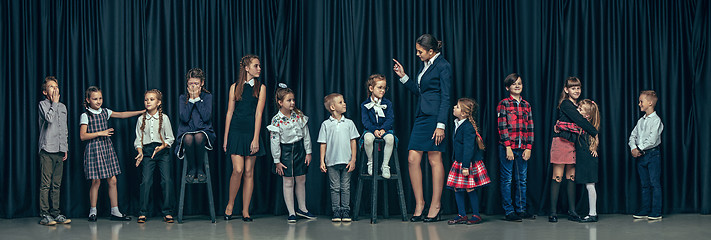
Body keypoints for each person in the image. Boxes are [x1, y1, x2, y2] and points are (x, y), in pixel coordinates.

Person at [392, 33, 452, 222]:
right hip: (421, 116)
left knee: (434, 159)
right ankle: (420, 203)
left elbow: (446, 97)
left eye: (420, 52)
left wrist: (441, 125)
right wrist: (404, 77)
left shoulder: (443, 66)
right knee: (412, 159)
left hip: (435, 118)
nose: (417, 54)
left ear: (431, 51)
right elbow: (421, 92)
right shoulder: (425, 66)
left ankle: (436, 205)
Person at [80, 86, 144, 222]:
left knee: (113, 180)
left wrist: (141, 112)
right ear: (88, 100)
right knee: (96, 181)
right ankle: (93, 211)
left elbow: (121, 114)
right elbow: (82, 136)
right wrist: (100, 133)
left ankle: (115, 211)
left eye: (100, 98)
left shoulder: (105, 112)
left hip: (106, 148)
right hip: (94, 149)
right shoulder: (85, 115)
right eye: (95, 99)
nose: (98, 101)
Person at [223, 55, 267, 222]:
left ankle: (245, 210)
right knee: (238, 170)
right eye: (256, 66)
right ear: (247, 68)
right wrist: (226, 138)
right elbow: (229, 112)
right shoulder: (234, 87)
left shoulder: (260, 87)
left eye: (259, 66)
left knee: (249, 172)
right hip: (235, 131)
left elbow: (259, 113)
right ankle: (230, 205)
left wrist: (256, 138)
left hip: (251, 132)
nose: (259, 68)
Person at [548, 77, 598, 223]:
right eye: (573, 88)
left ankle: (572, 211)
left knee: (571, 177)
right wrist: (595, 132)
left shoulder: (579, 106)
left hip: (572, 144)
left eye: (578, 88)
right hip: (561, 143)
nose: (576, 90)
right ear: (566, 90)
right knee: (557, 176)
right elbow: (580, 122)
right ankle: (552, 212)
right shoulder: (566, 104)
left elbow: (579, 126)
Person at [266, 84, 316, 223]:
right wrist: (277, 160)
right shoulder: (276, 120)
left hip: (299, 150)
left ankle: (302, 209)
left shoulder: (298, 115)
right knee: (288, 182)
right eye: (289, 100)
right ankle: (291, 212)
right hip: (286, 153)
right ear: (280, 102)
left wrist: (308, 152)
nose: (292, 103)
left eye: (293, 100)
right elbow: (274, 141)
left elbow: (306, 135)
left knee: (301, 179)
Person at [496, 73, 534, 221]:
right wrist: (507, 147)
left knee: (522, 179)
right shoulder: (504, 104)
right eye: (514, 84)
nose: (517, 86)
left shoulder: (527, 105)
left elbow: (530, 127)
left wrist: (529, 147)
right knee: (507, 179)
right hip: (508, 147)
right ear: (508, 87)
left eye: (519, 83)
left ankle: (521, 209)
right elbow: (502, 126)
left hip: (523, 147)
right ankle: (509, 211)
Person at [134, 89, 175, 223]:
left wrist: (162, 147)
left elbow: (170, 138)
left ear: (158, 103)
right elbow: (138, 140)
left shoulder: (165, 118)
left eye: (151, 99)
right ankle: (143, 212)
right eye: (146, 99)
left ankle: (167, 212)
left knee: (166, 181)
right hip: (147, 152)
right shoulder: (141, 119)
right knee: (146, 182)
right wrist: (140, 152)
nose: (148, 102)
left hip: (162, 152)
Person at [446, 98, 490, 225]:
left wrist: (465, 166)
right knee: (457, 188)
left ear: (464, 113)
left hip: (467, 163)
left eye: (457, 107)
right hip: (459, 161)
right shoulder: (458, 124)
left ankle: (476, 215)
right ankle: (462, 215)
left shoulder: (468, 127)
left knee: (470, 188)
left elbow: (468, 148)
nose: (454, 107)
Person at [318, 93, 360, 222]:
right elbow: (323, 143)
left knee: (346, 187)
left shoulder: (349, 123)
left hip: (347, 161)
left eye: (343, 101)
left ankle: (346, 211)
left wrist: (353, 159)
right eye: (341, 102)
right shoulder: (326, 124)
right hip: (332, 162)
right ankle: (336, 211)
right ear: (332, 107)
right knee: (335, 187)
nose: (344, 104)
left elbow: (353, 141)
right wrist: (322, 161)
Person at [37, 76, 71, 225]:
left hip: (59, 150)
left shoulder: (63, 107)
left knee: (56, 184)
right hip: (47, 149)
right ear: (45, 92)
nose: (55, 89)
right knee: (46, 184)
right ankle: (45, 214)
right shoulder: (43, 104)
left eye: (56, 86)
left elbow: (64, 129)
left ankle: (55, 213)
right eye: (51, 87)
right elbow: (49, 119)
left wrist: (65, 148)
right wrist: (55, 103)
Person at [175, 68, 216, 183]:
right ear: (187, 84)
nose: (193, 87)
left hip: (204, 131)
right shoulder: (183, 98)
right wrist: (191, 100)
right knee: (188, 137)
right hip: (186, 131)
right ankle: (192, 169)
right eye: (190, 84)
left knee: (198, 136)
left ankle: (200, 168)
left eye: (196, 84)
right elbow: (184, 118)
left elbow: (206, 117)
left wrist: (197, 99)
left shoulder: (207, 97)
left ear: (202, 83)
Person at [629, 90, 663, 220]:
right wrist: (633, 148)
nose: (639, 104)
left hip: (652, 155)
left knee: (654, 183)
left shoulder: (656, 120)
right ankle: (645, 209)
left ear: (650, 103)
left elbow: (652, 139)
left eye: (641, 101)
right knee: (645, 184)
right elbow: (633, 136)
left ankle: (656, 211)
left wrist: (639, 149)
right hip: (641, 157)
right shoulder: (640, 121)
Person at [360, 74, 395, 178]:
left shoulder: (387, 103)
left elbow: (390, 119)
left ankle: (385, 165)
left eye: (384, 88)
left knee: (390, 138)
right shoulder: (365, 105)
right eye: (380, 87)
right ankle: (371, 163)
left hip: (385, 130)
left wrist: (383, 129)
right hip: (371, 130)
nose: (382, 90)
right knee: (368, 138)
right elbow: (365, 121)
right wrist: (374, 129)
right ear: (371, 88)